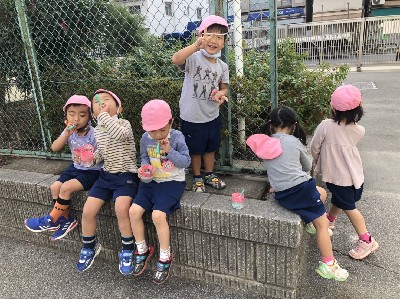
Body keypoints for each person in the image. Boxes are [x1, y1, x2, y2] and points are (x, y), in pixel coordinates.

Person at [246, 106, 349, 282]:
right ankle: (329, 264)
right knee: (323, 225)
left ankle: (310, 220)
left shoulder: (265, 143)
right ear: (293, 126)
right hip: (302, 189)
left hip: (282, 194)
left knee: (322, 193)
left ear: (271, 125)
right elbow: (308, 167)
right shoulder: (294, 142)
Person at [311, 84, 379, 260]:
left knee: (350, 208)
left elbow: (315, 146)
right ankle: (330, 221)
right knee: (341, 200)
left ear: (333, 108)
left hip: (337, 176)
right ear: (359, 109)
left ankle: (366, 239)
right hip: (354, 175)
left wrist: (318, 161)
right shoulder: (359, 130)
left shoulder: (326, 126)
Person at [75, 89, 139, 275]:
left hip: (126, 175)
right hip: (106, 176)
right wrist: (89, 160)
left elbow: (119, 135)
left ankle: (127, 249)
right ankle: (89, 247)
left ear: (119, 108)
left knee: (121, 208)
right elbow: (102, 153)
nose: (101, 103)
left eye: (106, 100)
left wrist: (104, 117)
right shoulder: (99, 131)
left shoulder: (124, 124)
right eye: (96, 102)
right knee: (88, 210)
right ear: (93, 113)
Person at [129, 99, 190, 284]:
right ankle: (142, 248)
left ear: (171, 122)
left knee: (157, 215)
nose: (156, 135)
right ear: (144, 126)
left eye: (162, 130)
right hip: (151, 182)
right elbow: (144, 157)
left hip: (172, 182)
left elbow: (186, 162)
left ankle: (165, 255)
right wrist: (145, 168)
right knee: (133, 211)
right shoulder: (145, 138)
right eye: (152, 130)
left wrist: (169, 150)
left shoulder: (177, 137)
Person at [24, 95, 101, 241]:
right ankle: (66, 221)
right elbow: (54, 147)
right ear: (66, 115)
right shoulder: (69, 132)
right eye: (71, 114)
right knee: (55, 187)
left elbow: (103, 154)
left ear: (90, 116)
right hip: (75, 167)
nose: (76, 119)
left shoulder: (94, 133)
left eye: (82, 115)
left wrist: (90, 157)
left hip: (93, 171)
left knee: (65, 188)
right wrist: (66, 133)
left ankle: (50, 220)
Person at [171, 15, 229, 193]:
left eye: (220, 37)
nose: (214, 40)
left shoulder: (222, 66)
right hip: (192, 115)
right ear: (201, 35)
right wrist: (195, 46)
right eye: (209, 34)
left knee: (210, 147)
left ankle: (209, 174)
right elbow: (176, 59)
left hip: (212, 115)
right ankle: (197, 177)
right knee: (195, 150)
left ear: (224, 42)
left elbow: (224, 87)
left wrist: (221, 93)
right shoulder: (194, 58)